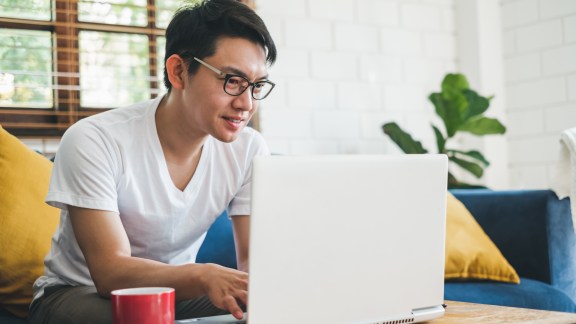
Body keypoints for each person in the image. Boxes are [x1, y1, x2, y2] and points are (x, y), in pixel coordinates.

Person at [28, 0, 277, 322]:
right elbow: (110, 272)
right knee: (144, 315)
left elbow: (252, 264)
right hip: (77, 293)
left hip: (179, 294)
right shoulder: (95, 139)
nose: (246, 103)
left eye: (257, 86)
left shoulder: (249, 149)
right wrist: (203, 275)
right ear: (179, 71)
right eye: (232, 81)